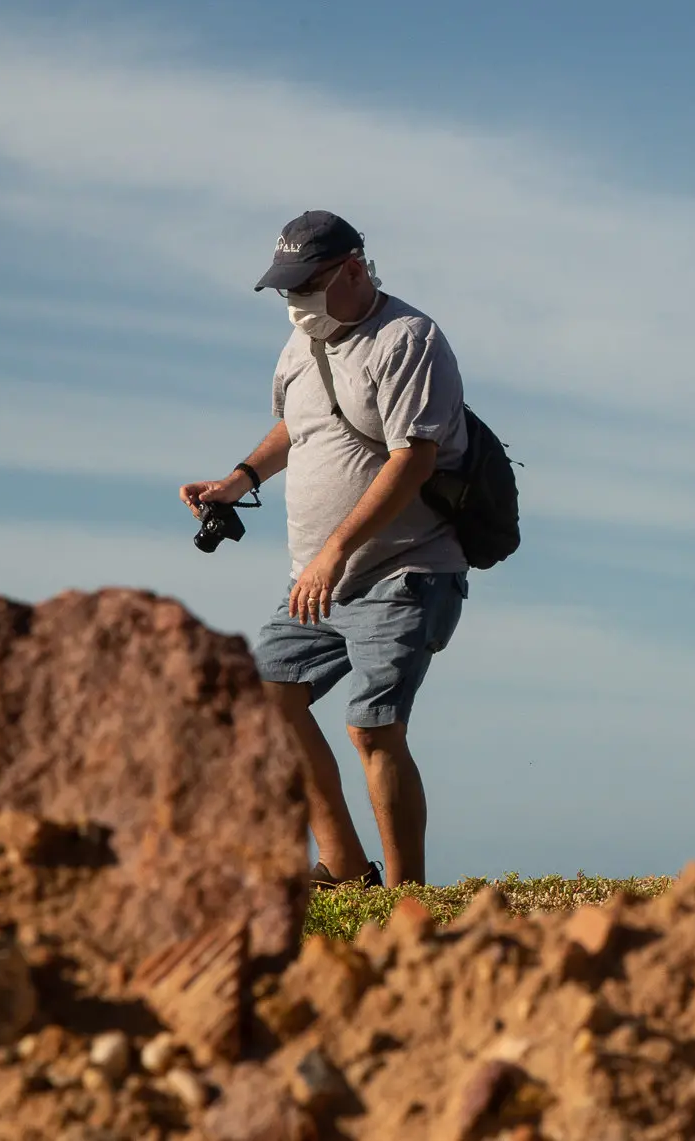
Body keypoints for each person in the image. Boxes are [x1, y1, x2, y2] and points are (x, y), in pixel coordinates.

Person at [180, 210, 470, 890]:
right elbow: (296, 426)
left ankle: (406, 899)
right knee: (267, 698)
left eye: (306, 285)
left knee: (373, 728)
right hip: (316, 579)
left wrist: (335, 551)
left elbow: (413, 460)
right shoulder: (297, 349)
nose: (296, 303)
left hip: (406, 572)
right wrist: (239, 479)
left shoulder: (407, 339)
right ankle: (343, 865)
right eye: (285, 290)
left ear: (353, 270)